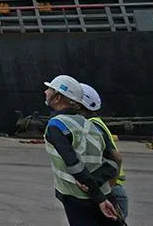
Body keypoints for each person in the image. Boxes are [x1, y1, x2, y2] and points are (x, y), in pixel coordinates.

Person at [41, 74, 120, 225]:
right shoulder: (91, 125)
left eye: (50, 89)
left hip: (80, 199)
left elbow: (74, 165)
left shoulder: (56, 126)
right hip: (104, 193)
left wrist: (98, 197)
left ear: (57, 98)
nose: (45, 91)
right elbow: (115, 160)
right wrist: (98, 183)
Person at [79, 83, 129, 220]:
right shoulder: (93, 123)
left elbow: (116, 158)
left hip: (110, 190)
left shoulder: (92, 126)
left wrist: (107, 190)